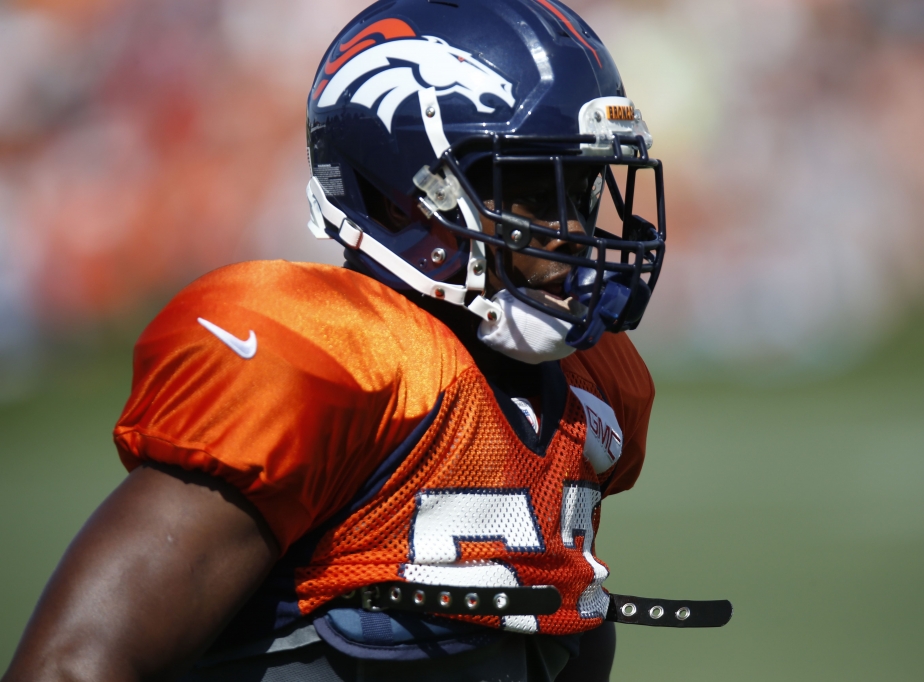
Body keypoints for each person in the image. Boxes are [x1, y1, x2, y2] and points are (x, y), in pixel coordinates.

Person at [2, 0, 667, 679]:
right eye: (531, 189)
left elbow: (560, 636)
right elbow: (73, 666)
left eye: (581, 190)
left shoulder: (590, 386)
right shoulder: (330, 356)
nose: (574, 232)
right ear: (405, 193)